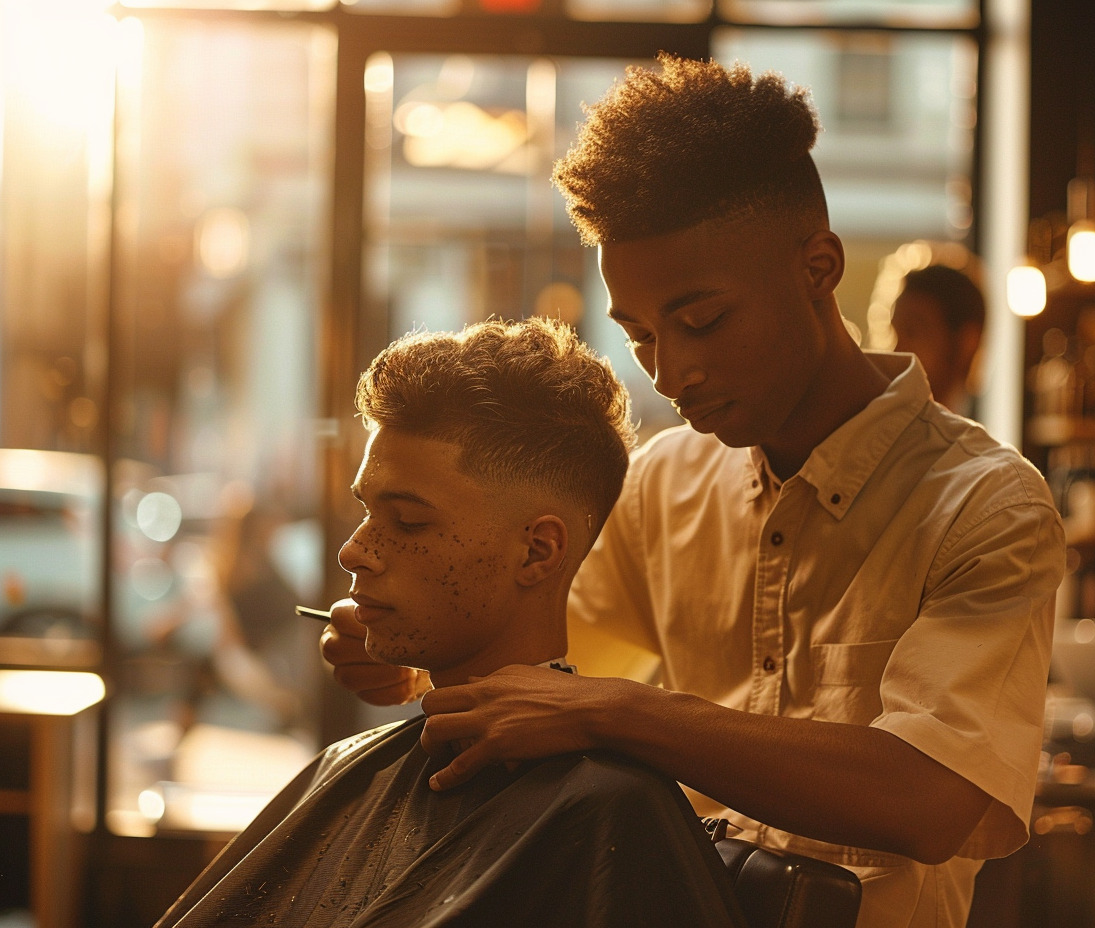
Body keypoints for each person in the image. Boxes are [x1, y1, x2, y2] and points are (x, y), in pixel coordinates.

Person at [322, 54, 1065, 928]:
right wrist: (409, 649)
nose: (673, 371)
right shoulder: (665, 481)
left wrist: (623, 712)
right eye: (638, 334)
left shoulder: (985, 507)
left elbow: (929, 797)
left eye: (702, 320)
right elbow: (536, 657)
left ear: (819, 266)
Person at [155, 317, 748, 928]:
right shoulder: (351, 767)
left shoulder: (609, 813)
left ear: (537, 552)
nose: (353, 552)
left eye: (409, 522)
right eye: (365, 511)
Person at [891, 263, 987, 417]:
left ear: (966, 342)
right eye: (894, 334)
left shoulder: (977, 439)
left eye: (912, 332)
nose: (896, 351)